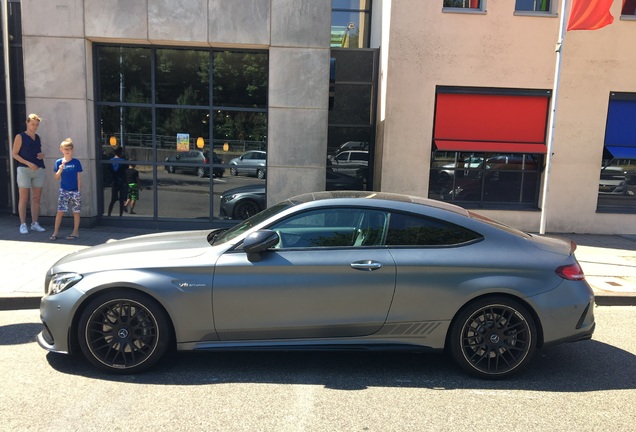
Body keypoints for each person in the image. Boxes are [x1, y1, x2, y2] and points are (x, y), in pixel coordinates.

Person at [12, 113, 46, 234]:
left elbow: (39, 152)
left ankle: (35, 223)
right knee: (23, 198)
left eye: (36, 125)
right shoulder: (20, 136)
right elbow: (14, 154)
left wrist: (42, 155)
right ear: (27, 123)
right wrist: (28, 163)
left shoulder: (38, 137)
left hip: (38, 170)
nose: (34, 127)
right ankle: (22, 224)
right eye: (32, 124)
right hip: (24, 170)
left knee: (36, 198)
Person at [50, 138, 83, 240]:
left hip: (74, 191)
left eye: (69, 149)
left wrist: (78, 191)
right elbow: (56, 177)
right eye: (65, 149)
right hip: (64, 190)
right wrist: (60, 169)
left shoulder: (76, 162)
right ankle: (55, 232)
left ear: (72, 150)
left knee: (76, 212)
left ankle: (75, 232)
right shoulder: (58, 162)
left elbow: (78, 177)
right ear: (61, 150)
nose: (67, 151)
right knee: (60, 211)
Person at [107, 146, 128, 216]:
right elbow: (126, 169)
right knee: (121, 200)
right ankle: (120, 214)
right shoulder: (123, 161)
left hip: (114, 181)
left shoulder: (110, 161)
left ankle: (109, 214)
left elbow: (109, 171)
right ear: (120, 152)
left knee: (113, 199)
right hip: (121, 181)